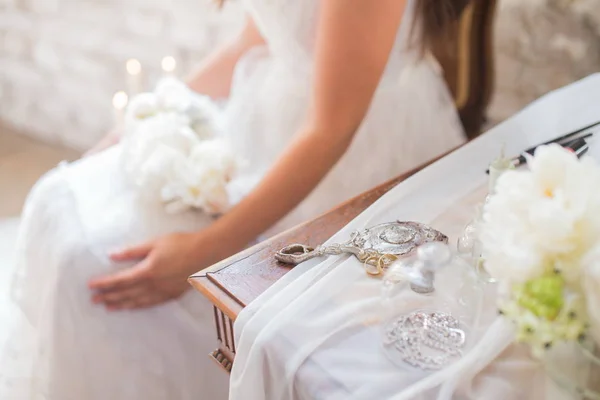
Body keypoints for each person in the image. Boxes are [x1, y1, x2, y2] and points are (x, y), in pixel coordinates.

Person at [0, 0, 467, 398]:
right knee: (57, 203)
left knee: (92, 260)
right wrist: (139, 122)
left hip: (352, 164)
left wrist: (207, 254)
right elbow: (258, 36)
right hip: (266, 121)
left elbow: (332, 129)